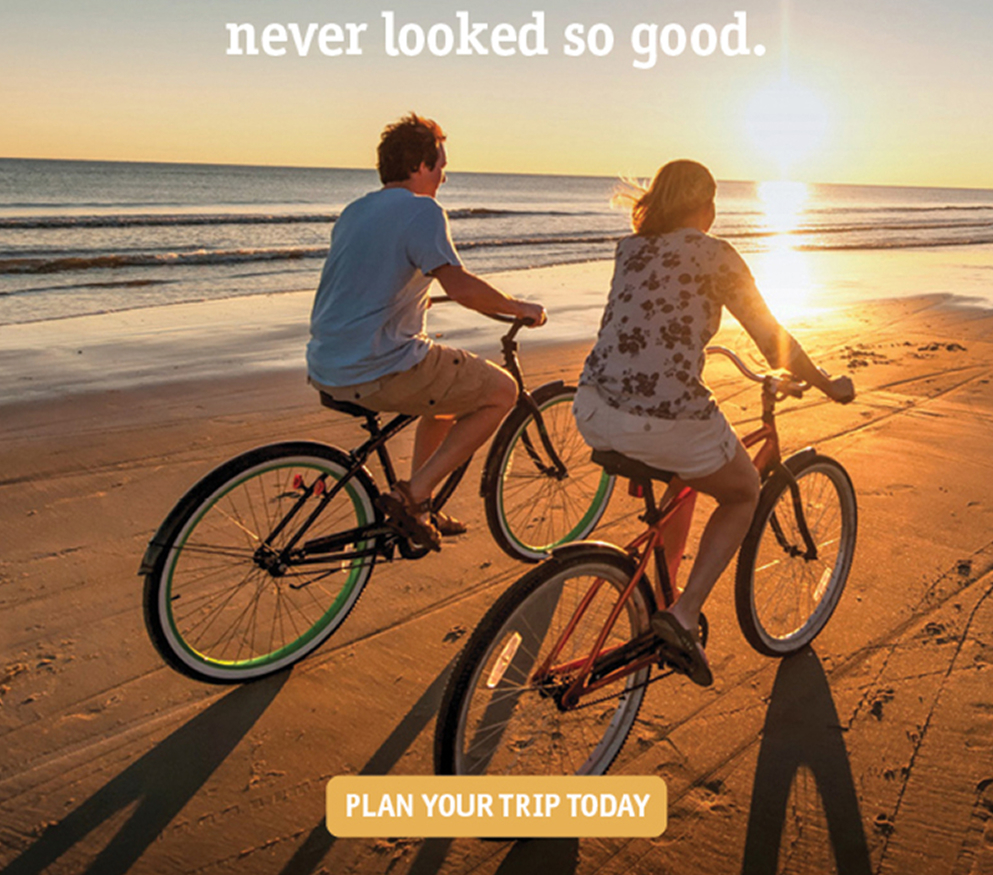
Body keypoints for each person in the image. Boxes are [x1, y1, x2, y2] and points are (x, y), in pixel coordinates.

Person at [573, 159, 854, 686]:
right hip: (661, 419)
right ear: (706, 206)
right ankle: (682, 615)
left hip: (592, 406)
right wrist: (827, 385)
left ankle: (665, 587)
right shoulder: (715, 253)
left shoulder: (630, 249)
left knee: (687, 468)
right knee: (743, 489)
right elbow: (773, 340)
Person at [307, 113, 546, 551]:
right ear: (419, 165)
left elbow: (367, 280)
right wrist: (517, 307)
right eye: (439, 165)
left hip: (327, 362)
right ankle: (412, 495)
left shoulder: (355, 211)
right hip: (376, 366)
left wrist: (417, 300)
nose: (444, 176)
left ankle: (423, 506)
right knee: (501, 391)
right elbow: (460, 284)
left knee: (442, 389)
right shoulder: (422, 210)